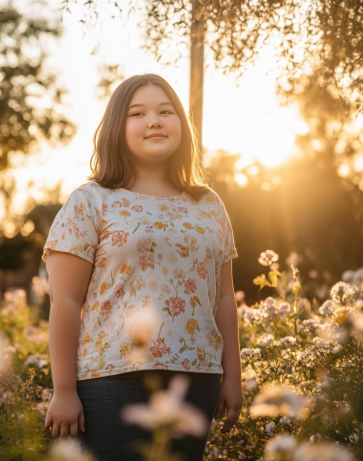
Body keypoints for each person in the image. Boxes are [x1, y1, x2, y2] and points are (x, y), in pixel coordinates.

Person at [42, 73, 243, 461]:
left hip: (196, 378)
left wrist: (232, 377)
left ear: (181, 125)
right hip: (112, 379)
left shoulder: (209, 205)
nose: (154, 120)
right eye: (138, 113)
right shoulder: (91, 201)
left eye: (166, 111)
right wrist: (64, 390)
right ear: (118, 127)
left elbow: (223, 298)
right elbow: (64, 300)